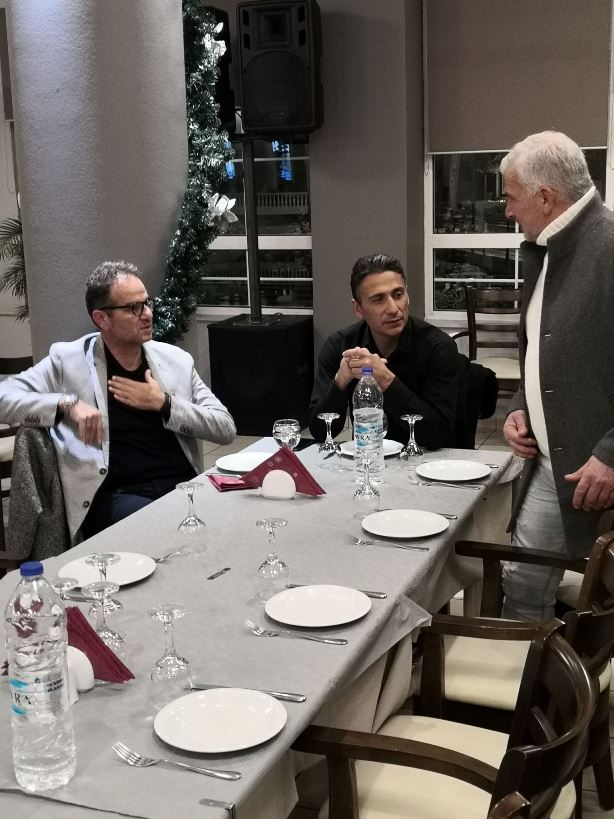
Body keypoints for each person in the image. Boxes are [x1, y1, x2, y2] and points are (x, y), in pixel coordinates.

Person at [0, 260, 236, 542]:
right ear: (102, 318)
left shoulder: (175, 361)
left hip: (181, 485)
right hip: (117, 495)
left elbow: (225, 428)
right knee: (163, 529)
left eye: (146, 303)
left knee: (238, 517)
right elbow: (4, 398)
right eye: (133, 308)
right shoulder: (68, 361)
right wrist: (67, 404)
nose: (147, 314)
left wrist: (165, 404)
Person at [500, 130, 614, 620]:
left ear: (545, 197)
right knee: (522, 583)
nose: (508, 211)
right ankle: (530, 671)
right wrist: (520, 407)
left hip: (599, 472)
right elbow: (540, 349)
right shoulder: (546, 248)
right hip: (550, 463)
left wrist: (610, 455)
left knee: (602, 604)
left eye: (511, 197)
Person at [308, 253, 458, 448]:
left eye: (398, 294)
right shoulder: (340, 346)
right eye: (378, 299)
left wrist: (386, 380)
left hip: (425, 459)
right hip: (368, 456)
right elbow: (319, 432)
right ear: (358, 309)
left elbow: (439, 435)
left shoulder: (438, 347)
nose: (393, 308)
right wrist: (340, 382)